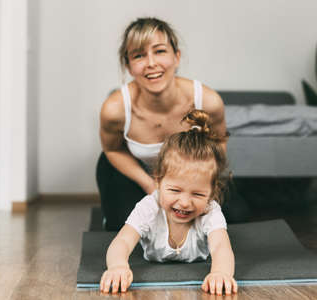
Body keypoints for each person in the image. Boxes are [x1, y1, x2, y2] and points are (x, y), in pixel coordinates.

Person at [97, 17, 250, 231]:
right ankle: (112, 213)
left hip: (191, 175)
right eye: (139, 55)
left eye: (159, 51)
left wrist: (198, 187)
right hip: (138, 172)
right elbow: (112, 150)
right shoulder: (114, 109)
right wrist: (151, 186)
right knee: (125, 227)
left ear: (176, 57)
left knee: (236, 218)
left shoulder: (208, 101)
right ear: (129, 66)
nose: (151, 63)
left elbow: (220, 141)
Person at [100, 110, 238, 295]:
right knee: (119, 221)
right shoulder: (150, 206)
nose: (184, 203)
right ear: (157, 182)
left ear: (211, 193)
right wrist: (117, 266)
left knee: (236, 212)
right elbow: (123, 241)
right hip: (144, 217)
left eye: (197, 194)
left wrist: (221, 273)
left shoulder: (210, 209)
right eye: (174, 190)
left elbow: (221, 246)